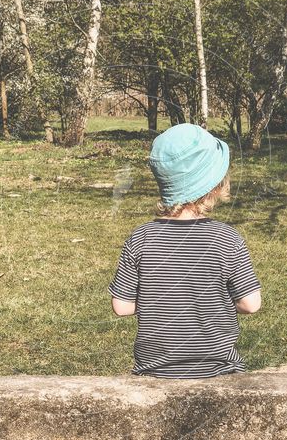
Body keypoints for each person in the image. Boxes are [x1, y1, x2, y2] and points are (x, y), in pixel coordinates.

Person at [108, 123, 261, 379]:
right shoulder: (226, 239)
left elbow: (122, 307)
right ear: (214, 185)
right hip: (217, 371)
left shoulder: (140, 238)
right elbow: (250, 304)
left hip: (154, 373)